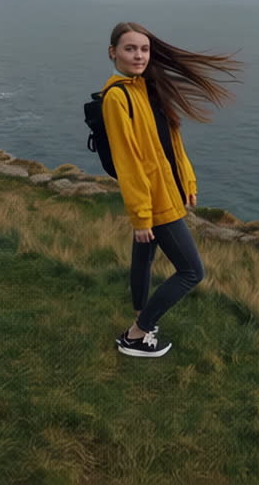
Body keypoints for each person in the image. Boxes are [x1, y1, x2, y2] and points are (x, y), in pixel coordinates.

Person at [103, 21, 242, 358]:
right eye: (130, 49)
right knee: (193, 271)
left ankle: (141, 316)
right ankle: (137, 335)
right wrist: (141, 217)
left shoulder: (147, 89)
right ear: (113, 53)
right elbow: (129, 161)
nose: (139, 55)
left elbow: (172, 143)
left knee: (145, 256)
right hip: (154, 199)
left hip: (168, 190)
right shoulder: (117, 97)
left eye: (144, 49)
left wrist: (188, 181)